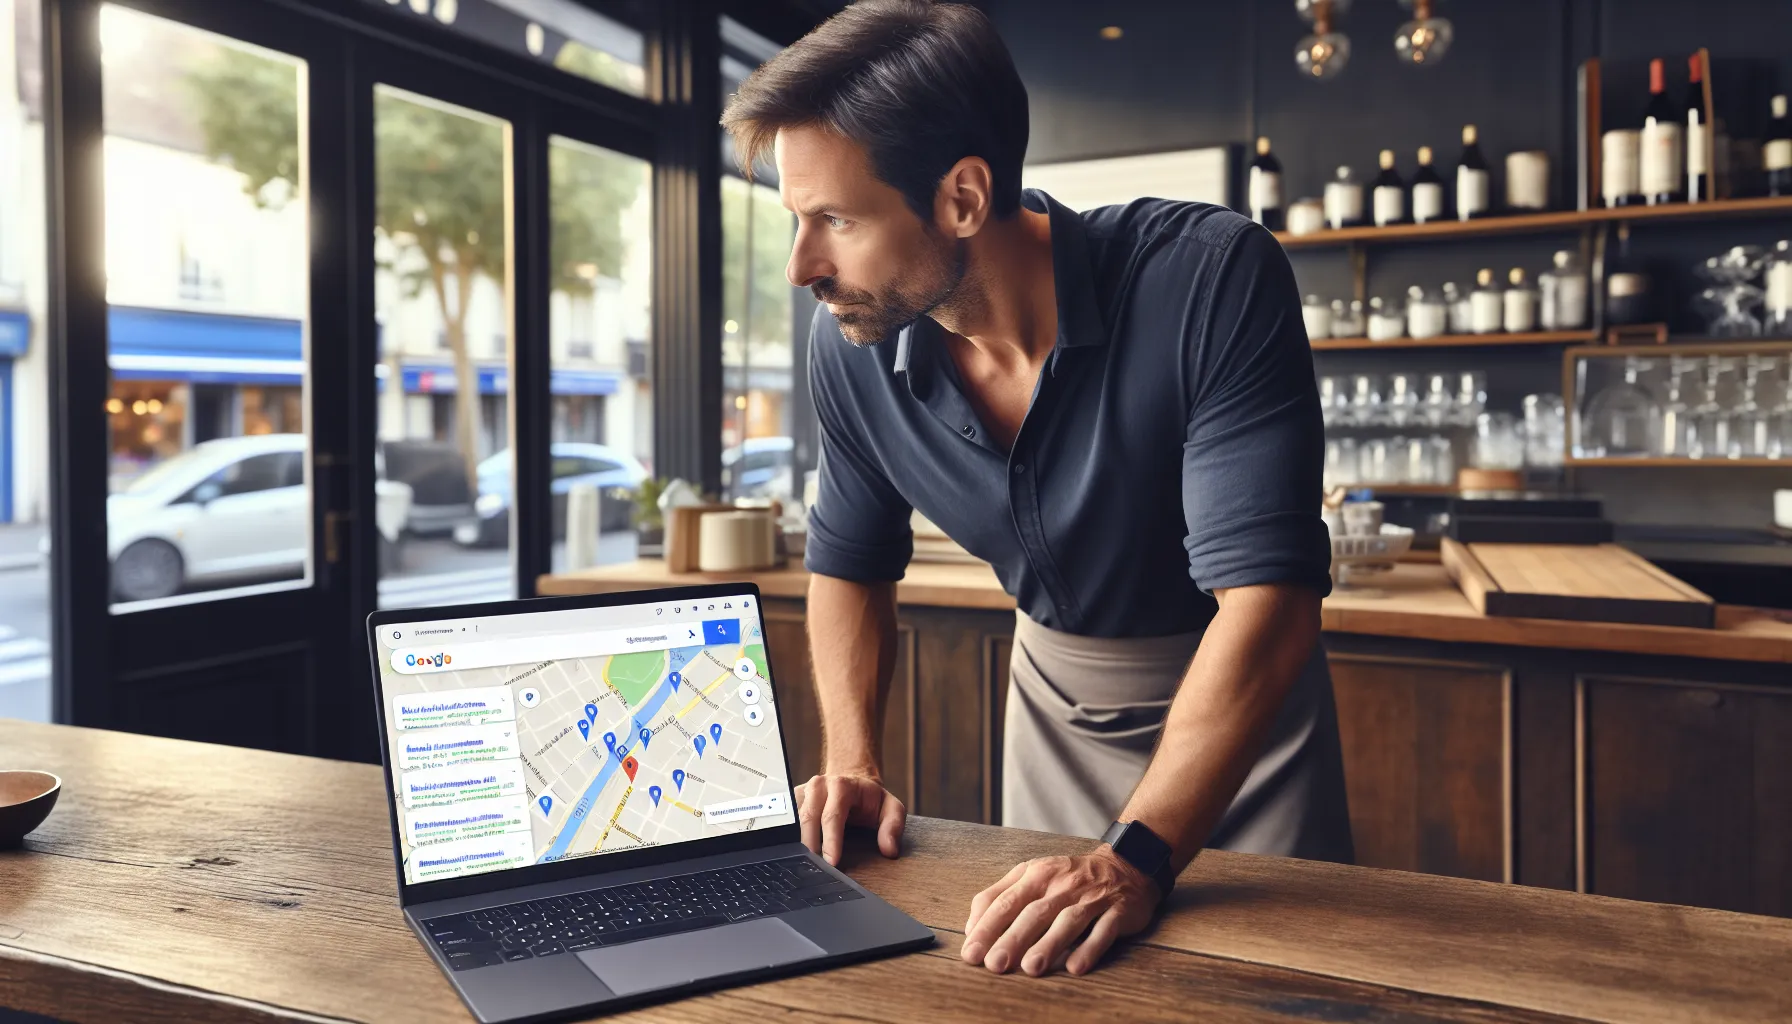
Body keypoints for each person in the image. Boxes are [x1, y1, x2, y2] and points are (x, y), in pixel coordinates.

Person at [721, 0, 1353, 979]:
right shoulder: (849, 343)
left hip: (1238, 714)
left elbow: (1268, 608)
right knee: (1044, 985)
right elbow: (849, 562)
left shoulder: (1211, 278)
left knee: (1272, 993)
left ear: (963, 198)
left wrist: (1135, 855)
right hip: (1051, 701)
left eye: (836, 220)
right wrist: (851, 757)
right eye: (796, 221)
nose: (804, 265)